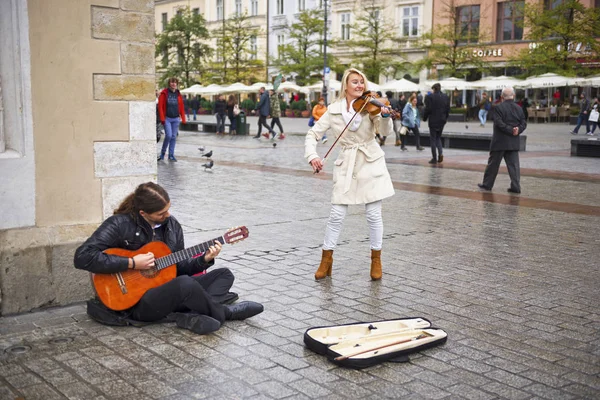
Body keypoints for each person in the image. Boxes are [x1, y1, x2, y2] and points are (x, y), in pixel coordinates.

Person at [74, 182, 264, 335]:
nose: (168, 215)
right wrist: (131, 263)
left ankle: (187, 316)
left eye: (168, 209)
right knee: (185, 285)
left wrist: (204, 259)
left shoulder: (172, 226)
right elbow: (82, 257)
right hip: (135, 302)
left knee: (224, 275)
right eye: (161, 213)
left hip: (168, 291)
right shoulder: (119, 224)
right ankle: (225, 313)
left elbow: (178, 267)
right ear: (143, 213)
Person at [305, 68, 395, 281]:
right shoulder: (333, 109)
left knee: (373, 214)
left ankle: (376, 259)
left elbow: (384, 132)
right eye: (355, 82)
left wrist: (384, 116)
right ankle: (326, 260)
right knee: (336, 215)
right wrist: (312, 156)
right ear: (345, 85)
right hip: (346, 163)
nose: (359, 86)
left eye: (362, 82)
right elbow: (313, 133)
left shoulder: (370, 106)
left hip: (371, 161)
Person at [477, 87, 526, 194]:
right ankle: (516, 186)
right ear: (513, 96)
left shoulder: (498, 108)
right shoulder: (519, 108)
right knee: (514, 166)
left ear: (502, 97)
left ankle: (487, 185)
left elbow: (499, 123)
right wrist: (517, 130)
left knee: (493, 165)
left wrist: (510, 129)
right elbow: (523, 123)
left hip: (500, 141)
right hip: (513, 141)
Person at [158, 77, 186, 162]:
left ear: (177, 84)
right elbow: (160, 107)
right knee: (169, 135)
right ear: (169, 84)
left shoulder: (178, 94)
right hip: (167, 118)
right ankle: (163, 153)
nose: (173, 84)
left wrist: (183, 118)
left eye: (175, 82)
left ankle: (171, 155)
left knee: (173, 137)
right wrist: (162, 118)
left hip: (176, 118)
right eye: (172, 82)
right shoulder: (164, 93)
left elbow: (181, 106)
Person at [423, 83, 450, 164]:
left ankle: (434, 158)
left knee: (433, 139)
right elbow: (448, 109)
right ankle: (440, 153)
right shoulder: (445, 97)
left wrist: (424, 118)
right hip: (442, 121)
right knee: (438, 137)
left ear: (434, 89)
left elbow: (428, 109)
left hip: (433, 121)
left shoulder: (430, 97)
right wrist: (445, 118)